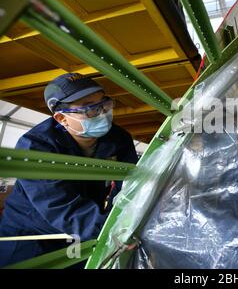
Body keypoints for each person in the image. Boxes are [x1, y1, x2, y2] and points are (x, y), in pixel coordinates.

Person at [0, 73, 138, 267]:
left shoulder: (119, 138)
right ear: (61, 118)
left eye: (104, 104)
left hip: (82, 227)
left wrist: (130, 220)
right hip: (31, 233)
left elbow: (130, 185)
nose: (102, 113)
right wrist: (112, 230)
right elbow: (59, 206)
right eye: (90, 109)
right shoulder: (36, 146)